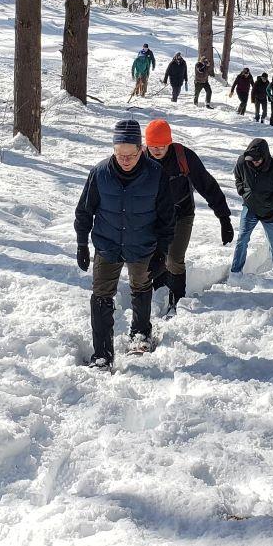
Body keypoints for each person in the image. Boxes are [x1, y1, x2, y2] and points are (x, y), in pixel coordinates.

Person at [74, 119, 176, 367]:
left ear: (141, 150)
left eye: (131, 154)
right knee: (101, 295)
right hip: (107, 244)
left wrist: (162, 252)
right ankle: (102, 354)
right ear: (113, 149)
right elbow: (84, 212)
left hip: (141, 245)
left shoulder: (156, 175)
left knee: (141, 286)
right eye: (120, 154)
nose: (125, 160)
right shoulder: (99, 174)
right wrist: (81, 244)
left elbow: (167, 217)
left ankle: (140, 333)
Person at [143, 118, 232, 311]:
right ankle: (158, 295)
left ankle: (177, 301)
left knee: (174, 259)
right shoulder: (141, 159)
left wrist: (224, 218)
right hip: (154, 217)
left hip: (181, 213)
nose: (157, 150)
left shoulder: (184, 157)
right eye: (152, 146)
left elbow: (207, 185)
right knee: (153, 258)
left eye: (162, 146)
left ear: (170, 143)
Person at [229, 138, 273, 273]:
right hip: (250, 208)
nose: (254, 163)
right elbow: (238, 176)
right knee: (242, 240)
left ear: (265, 157)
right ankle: (236, 272)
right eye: (251, 160)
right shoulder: (243, 162)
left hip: (271, 213)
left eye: (257, 160)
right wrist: (241, 189)